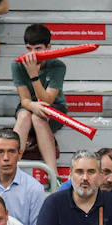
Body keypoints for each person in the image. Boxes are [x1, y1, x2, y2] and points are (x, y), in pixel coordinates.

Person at [12, 24, 69, 180]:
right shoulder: (17, 65)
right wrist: (33, 105)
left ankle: (53, 175)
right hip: (29, 105)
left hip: (54, 106)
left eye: (38, 48)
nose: (32, 54)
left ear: (48, 47)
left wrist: (34, 76)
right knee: (24, 116)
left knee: (38, 117)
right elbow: (24, 99)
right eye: (29, 49)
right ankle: (10, 167)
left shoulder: (58, 65)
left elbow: (48, 99)